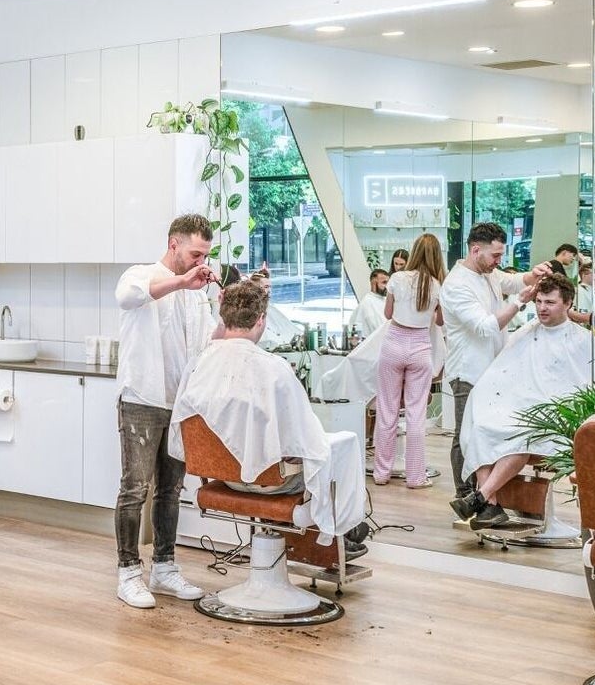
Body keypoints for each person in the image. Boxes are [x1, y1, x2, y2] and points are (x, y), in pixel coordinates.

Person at [169, 279, 367, 548]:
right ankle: (343, 534)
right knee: (340, 449)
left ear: (222, 315)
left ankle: (332, 539)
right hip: (273, 483)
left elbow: (181, 437)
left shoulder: (197, 366)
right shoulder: (275, 369)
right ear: (261, 319)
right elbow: (305, 440)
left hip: (224, 479)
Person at [101, 214, 219, 609]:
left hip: (179, 403)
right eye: (194, 253)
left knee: (170, 489)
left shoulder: (196, 291)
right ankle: (128, 572)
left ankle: (164, 568)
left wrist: (247, 299)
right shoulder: (140, 275)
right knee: (135, 488)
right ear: (173, 244)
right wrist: (181, 282)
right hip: (141, 398)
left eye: (205, 254)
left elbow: (209, 340)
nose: (200, 261)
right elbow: (128, 298)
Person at [459, 273, 595, 528]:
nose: (542, 308)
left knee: (524, 434)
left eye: (550, 302)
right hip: (519, 408)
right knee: (481, 428)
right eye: (539, 301)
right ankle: (488, 505)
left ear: (568, 303)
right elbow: (499, 377)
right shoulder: (526, 332)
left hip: (558, 418)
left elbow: (594, 389)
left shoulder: (582, 340)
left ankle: (480, 497)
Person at [441, 222, 548, 522]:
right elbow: (486, 327)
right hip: (468, 370)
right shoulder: (456, 285)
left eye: (501, 255)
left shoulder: (486, 272)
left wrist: (532, 275)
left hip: (492, 369)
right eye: (495, 255)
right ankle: (465, 494)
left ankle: (483, 495)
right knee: (466, 434)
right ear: (476, 250)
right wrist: (519, 304)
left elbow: (512, 281)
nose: (498, 260)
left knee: (484, 433)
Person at [374, 233, 445, 488]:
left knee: (387, 410)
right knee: (416, 413)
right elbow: (440, 322)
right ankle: (415, 477)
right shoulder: (437, 285)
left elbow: (388, 313)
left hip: (393, 343)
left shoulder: (397, 278)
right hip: (420, 348)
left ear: (414, 253)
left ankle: (381, 473)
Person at [352, 269, 390, 340]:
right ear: (373, 283)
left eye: (388, 283)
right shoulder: (367, 302)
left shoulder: (386, 300)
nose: (387, 286)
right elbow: (377, 328)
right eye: (384, 282)